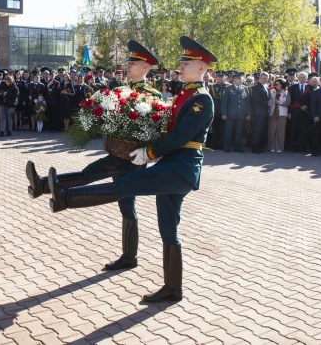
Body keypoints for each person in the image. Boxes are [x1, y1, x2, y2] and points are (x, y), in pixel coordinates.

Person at [45, 36, 215, 303]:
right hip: (170, 166)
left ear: (202, 68)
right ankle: (173, 289)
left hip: (181, 168)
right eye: (181, 61)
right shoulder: (185, 94)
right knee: (168, 229)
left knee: (125, 186)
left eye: (186, 62)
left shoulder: (201, 100)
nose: (180, 66)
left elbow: (180, 136)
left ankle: (67, 199)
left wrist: (149, 151)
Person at [26, 40, 162, 274]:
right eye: (128, 62)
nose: (127, 66)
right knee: (126, 205)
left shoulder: (152, 95)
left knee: (92, 173)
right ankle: (129, 256)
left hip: (132, 158)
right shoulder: (120, 90)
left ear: (146, 67)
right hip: (119, 151)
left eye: (133, 63)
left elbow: (156, 128)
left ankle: (43, 186)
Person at [222, 72, 250, 153]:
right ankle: (227, 147)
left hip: (241, 114)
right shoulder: (228, 88)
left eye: (242, 79)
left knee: (239, 131)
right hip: (230, 114)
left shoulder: (245, 88)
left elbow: (247, 103)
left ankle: (237, 147)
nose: (242, 80)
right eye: (240, 79)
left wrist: (248, 113)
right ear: (234, 79)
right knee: (228, 131)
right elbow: (224, 102)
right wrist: (224, 113)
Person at [289, 72, 313, 153]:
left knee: (303, 129)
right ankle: (293, 146)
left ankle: (302, 147)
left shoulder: (310, 88)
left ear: (307, 79)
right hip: (295, 111)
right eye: (301, 77)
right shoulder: (293, 87)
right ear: (298, 78)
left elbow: (312, 100)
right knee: (293, 129)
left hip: (305, 112)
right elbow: (290, 100)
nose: (302, 79)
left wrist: (307, 106)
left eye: (304, 77)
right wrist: (289, 112)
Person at [267, 79, 290, 152]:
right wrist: (269, 103)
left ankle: (279, 147)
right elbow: (269, 101)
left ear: (281, 85)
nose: (275, 86)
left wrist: (280, 103)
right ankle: (271, 147)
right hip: (273, 112)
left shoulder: (286, 93)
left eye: (277, 84)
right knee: (272, 130)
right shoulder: (272, 92)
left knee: (280, 130)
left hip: (282, 113)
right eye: (275, 84)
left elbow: (288, 103)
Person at [250, 72, 271, 154]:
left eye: (266, 78)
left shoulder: (266, 87)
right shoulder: (256, 87)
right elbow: (256, 100)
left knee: (262, 131)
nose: (265, 79)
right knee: (257, 131)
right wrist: (267, 103)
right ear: (259, 78)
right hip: (258, 113)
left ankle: (260, 146)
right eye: (263, 78)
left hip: (264, 113)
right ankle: (255, 148)